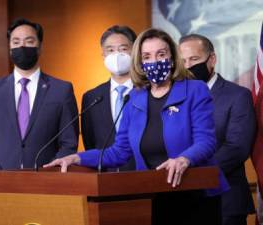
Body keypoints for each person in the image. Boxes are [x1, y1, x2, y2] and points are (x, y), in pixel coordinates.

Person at [45, 28, 229, 225]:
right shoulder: (134, 98)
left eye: (161, 54)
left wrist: (184, 159)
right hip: (151, 197)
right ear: (140, 63)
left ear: (173, 58)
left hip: (194, 195)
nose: (154, 62)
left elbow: (206, 141)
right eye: (147, 56)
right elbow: (119, 151)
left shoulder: (195, 89)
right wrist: (77, 158)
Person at [0, 18, 79, 170]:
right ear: (9, 48)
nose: (22, 46)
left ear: (40, 47)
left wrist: (50, 173)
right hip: (1, 184)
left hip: (47, 183)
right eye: (16, 42)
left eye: (29, 41)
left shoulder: (62, 90)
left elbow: (69, 142)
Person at [179, 34, 256, 225]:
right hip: (182, 203)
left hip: (225, 202)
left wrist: (190, 170)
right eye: (183, 61)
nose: (188, 66)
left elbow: (237, 148)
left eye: (194, 59)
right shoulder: (175, 97)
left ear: (212, 59)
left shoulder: (238, 96)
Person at [81, 25, 136, 171]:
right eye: (110, 50)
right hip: (106, 178)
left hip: (144, 175)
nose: (116, 55)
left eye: (123, 49)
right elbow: (90, 142)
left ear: (135, 52)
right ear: (103, 56)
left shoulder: (149, 92)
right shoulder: (91, 97)